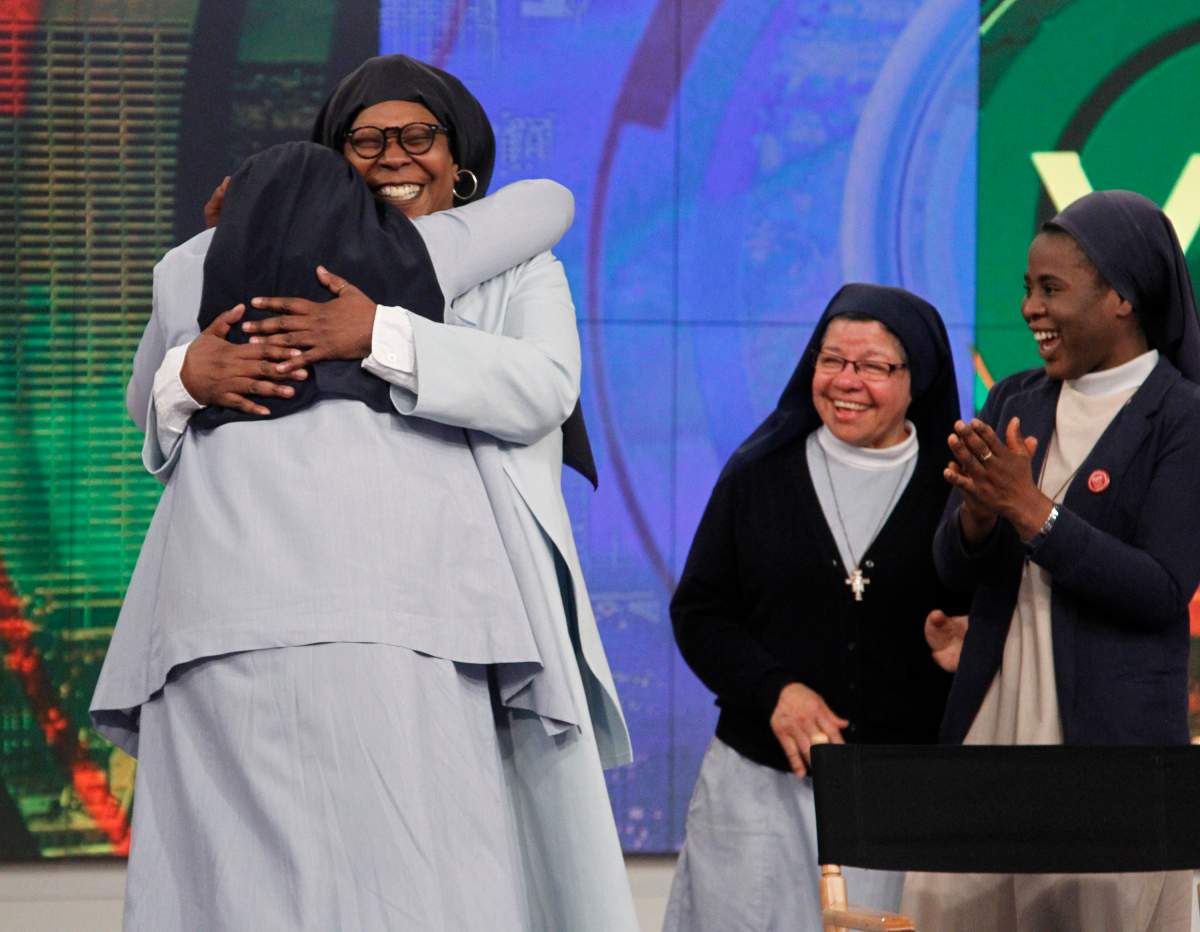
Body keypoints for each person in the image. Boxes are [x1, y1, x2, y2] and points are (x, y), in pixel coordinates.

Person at [91, 54, 637, 931]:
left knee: (431, 869)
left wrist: (378, 332)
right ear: (328, 159)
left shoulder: (511, 264)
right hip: (232, 603)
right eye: (365, 140)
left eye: (416, 135)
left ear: (456, 155)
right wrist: (191, 374)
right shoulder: (234, 255)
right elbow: (150, 400)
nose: (392, 156)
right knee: (235, 877)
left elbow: (543, 387)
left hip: (449, 607)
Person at [902, 189, 1200, 930]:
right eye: (1027, 289)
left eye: (1051, 288)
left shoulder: (1184, 417)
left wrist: (1031, 511)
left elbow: (1160, 590)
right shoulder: (1016, 399)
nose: (1032, 308)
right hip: (992, 728)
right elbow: (953, 568)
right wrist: (975, 515)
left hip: (1108, 755)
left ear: (1123, 298)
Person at [663, 284, 965, 931]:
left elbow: (984, 622)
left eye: (874, 366)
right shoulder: (758, 472)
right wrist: (775, 691)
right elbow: (700, 613)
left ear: (919, 377)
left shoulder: (958, 488)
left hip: (901, 795)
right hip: (759, 792)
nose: (846, 381)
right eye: (831, 360)